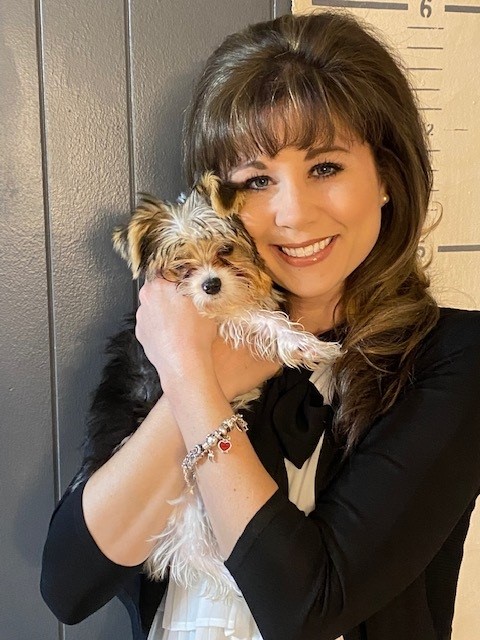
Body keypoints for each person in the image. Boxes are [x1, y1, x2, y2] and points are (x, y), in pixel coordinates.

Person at [40, 11, 480, 640]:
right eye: (256, 181)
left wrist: (193, 382)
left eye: (325, 167)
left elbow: (306, 609)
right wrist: (194, 365)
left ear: (385, 176)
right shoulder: (174, 341)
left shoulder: (454, 359)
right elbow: (69, 585)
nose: (292, 214)